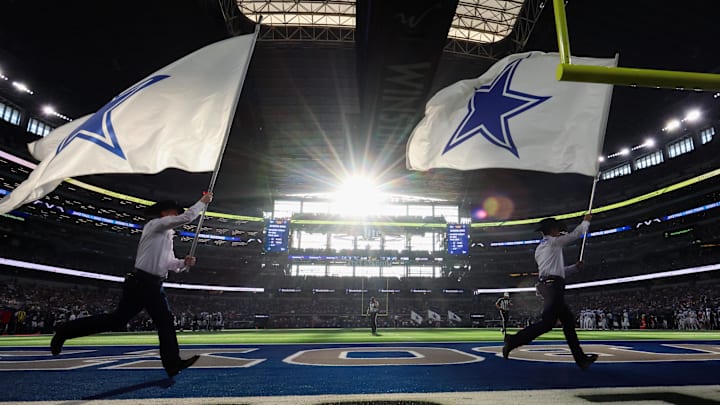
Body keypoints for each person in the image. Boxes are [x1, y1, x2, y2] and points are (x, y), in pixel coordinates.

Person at [50, 192, 213, 377]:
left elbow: (168, 263)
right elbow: (187, 218)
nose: (176, 216)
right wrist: (202, 203)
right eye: (174, 212)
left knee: (127, 321)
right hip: (143, 283)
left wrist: (184, 263)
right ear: (164, 213)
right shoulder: (155, 225)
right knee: (152, 322)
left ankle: (65, 330)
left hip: (152, 284)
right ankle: (172, 363)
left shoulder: (166, 235)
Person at [502, 214, 599, 370]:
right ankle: (512, 341)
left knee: (567, 322)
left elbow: (556, 271)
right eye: (558, 229)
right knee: (548, 323)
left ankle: (581, 359)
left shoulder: (541, 248)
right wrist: (585, 222)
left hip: (549, 285)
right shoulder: (553, 243)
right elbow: (575, 235)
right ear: (553, 230)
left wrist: (574, 268)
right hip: (553, 287)